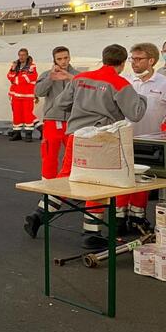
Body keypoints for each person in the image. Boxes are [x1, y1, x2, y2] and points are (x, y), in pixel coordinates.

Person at [54, 44, 147, 249]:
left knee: (64, 177)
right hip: (100, 139)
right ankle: (91, 232)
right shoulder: (119, 83)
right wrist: (142, 98)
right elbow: (136, 114)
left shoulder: (80, 78)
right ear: (122, 63)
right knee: (98, 184)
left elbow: (61, 104)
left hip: (76, 136)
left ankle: (39, 214)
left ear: (103, 58)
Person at [120, 43, 166, 231]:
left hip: (151, 145)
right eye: (132, 58)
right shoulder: (124, 81)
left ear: (151, 61)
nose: (134, 62)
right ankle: (119, 219)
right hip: (125, 140)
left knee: (143, 181)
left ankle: (137, 219)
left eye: (138, 59)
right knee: (122, 181)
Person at [23, 46, 79, 238]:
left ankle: (71, 189)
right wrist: (50, 78)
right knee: (49, 156)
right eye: (60, 58)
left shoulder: (77, 75)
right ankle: (48, 190)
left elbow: (84, 93)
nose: (63, 61)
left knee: (73, 159)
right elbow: (37, 91)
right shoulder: (47, 74)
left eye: (65, 58)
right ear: (54, 59)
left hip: (73, 121)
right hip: (52, 120)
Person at [6, 48, 38, 142]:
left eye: (23, 55)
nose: (21, 57)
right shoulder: (15, 65)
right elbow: (9, 76)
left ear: (27, 55)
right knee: (16, 115)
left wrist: (16, 79)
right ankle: (17, 134)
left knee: (28, 115)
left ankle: (28, 135)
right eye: (20, 55)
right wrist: (13, 70)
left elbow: (32, 77)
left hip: (27, 95)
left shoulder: (32, 66)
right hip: (16, 95)